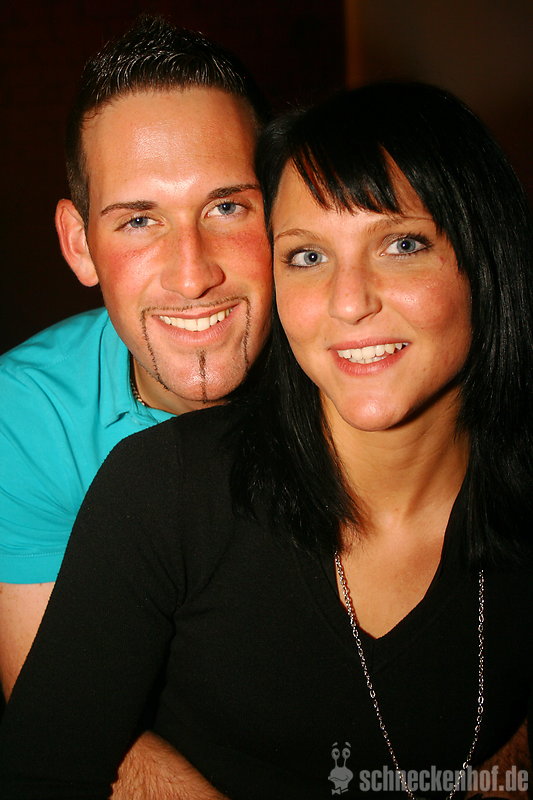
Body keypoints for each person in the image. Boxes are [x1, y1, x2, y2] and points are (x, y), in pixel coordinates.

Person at [1, 82, 531, 799]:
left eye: (402, 244)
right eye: (308, 256)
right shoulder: (143, 476)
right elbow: (49, 753)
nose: (350, 301)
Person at [0, 13, 271, 798]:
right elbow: (65, 719)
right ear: (79, 244)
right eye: (140, 220)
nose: (191, 275)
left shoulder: (366, 374)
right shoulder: (28, 417)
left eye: (227, 207)